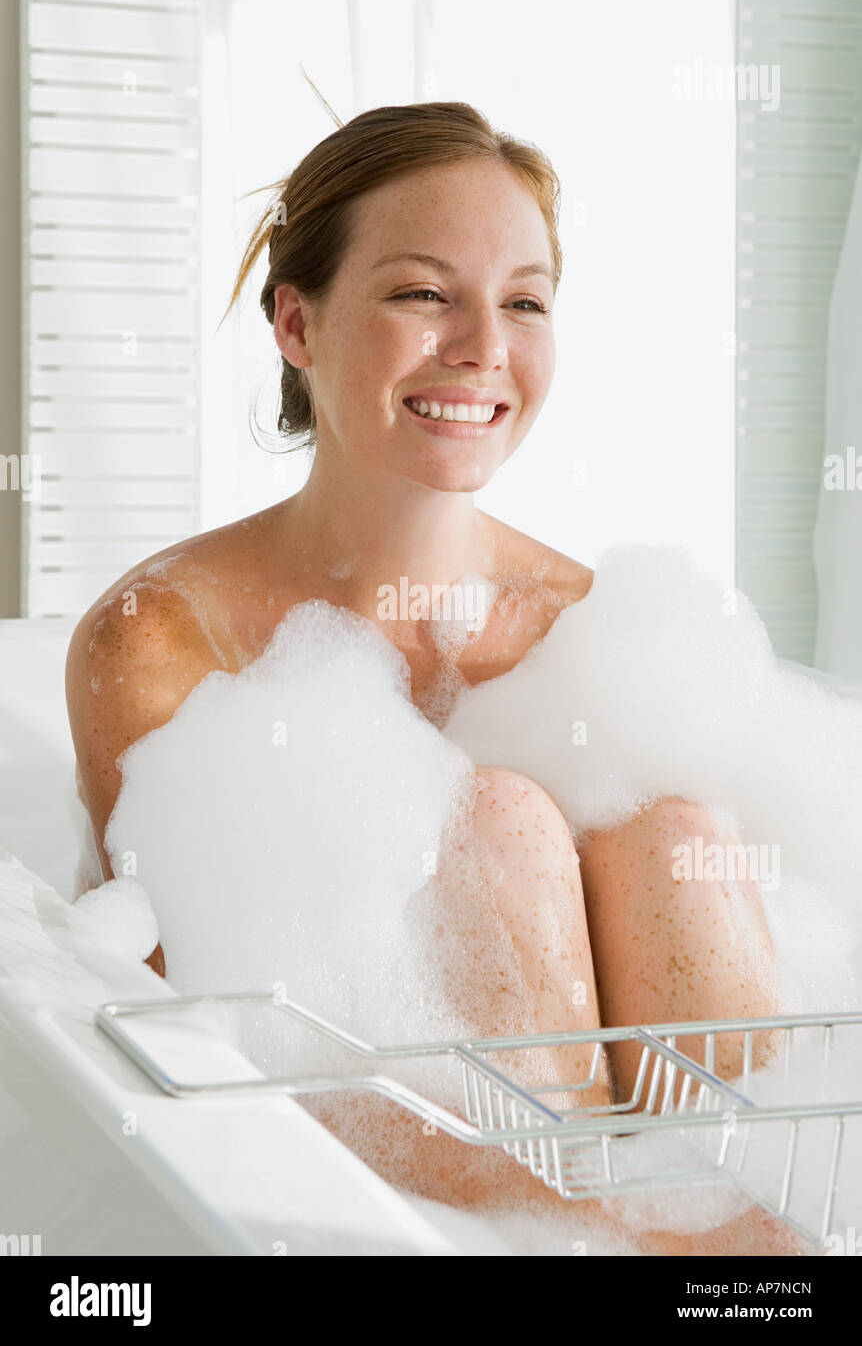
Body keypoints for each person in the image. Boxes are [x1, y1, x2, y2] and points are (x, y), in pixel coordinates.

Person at [65, 101, 797, 1252]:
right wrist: (613, 1231)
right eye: (420, 293)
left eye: (523, 300)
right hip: (391, 1204)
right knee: (500, 821)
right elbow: (191, 1045)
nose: (480, 347)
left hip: (693, 1221)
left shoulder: (598, 630)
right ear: (296, 324)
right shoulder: (168, 636)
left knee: (677, 832)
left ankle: (751, 1234)